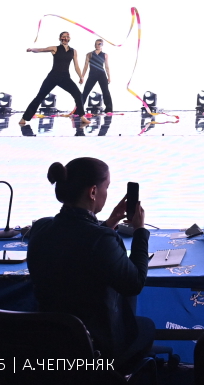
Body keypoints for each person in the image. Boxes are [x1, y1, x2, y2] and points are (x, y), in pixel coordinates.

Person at [27, 157, 152, 367]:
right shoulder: (101, 240)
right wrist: (140, 231)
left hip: (49, 343)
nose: (106, 193)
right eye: (106, 187)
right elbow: (135, 283)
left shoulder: (40, 228)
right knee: (145, 326)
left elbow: (77, 240)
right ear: (93, 192)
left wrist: (110, 222)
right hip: (95, 349)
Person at [21, 31, 85, 125]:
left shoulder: (73, 51)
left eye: (67, 37)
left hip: (65, 78)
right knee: (40, 96)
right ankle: (24, 118)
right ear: (60, 38)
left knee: (78, 94)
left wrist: (81, 76)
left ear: (69, 38)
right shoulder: (55, 48)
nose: (65, 38)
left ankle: (82, 116)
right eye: (63, 37)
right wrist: (32, 49)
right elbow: (42, 49)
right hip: (53, 76)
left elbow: (76, 66)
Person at [80, 39, 113, 114]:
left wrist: (109, 77)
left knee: (106, 91)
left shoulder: (105, 55)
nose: (97, 45)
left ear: (102, 45)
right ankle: (79, 109)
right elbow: (85, 66)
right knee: (85, 91)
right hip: (92, 74)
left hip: (101, 74)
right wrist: (82, 76)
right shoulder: (89, 54)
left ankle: (109, 109)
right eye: (96, 44)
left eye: (99, 44)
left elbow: (107, 66)